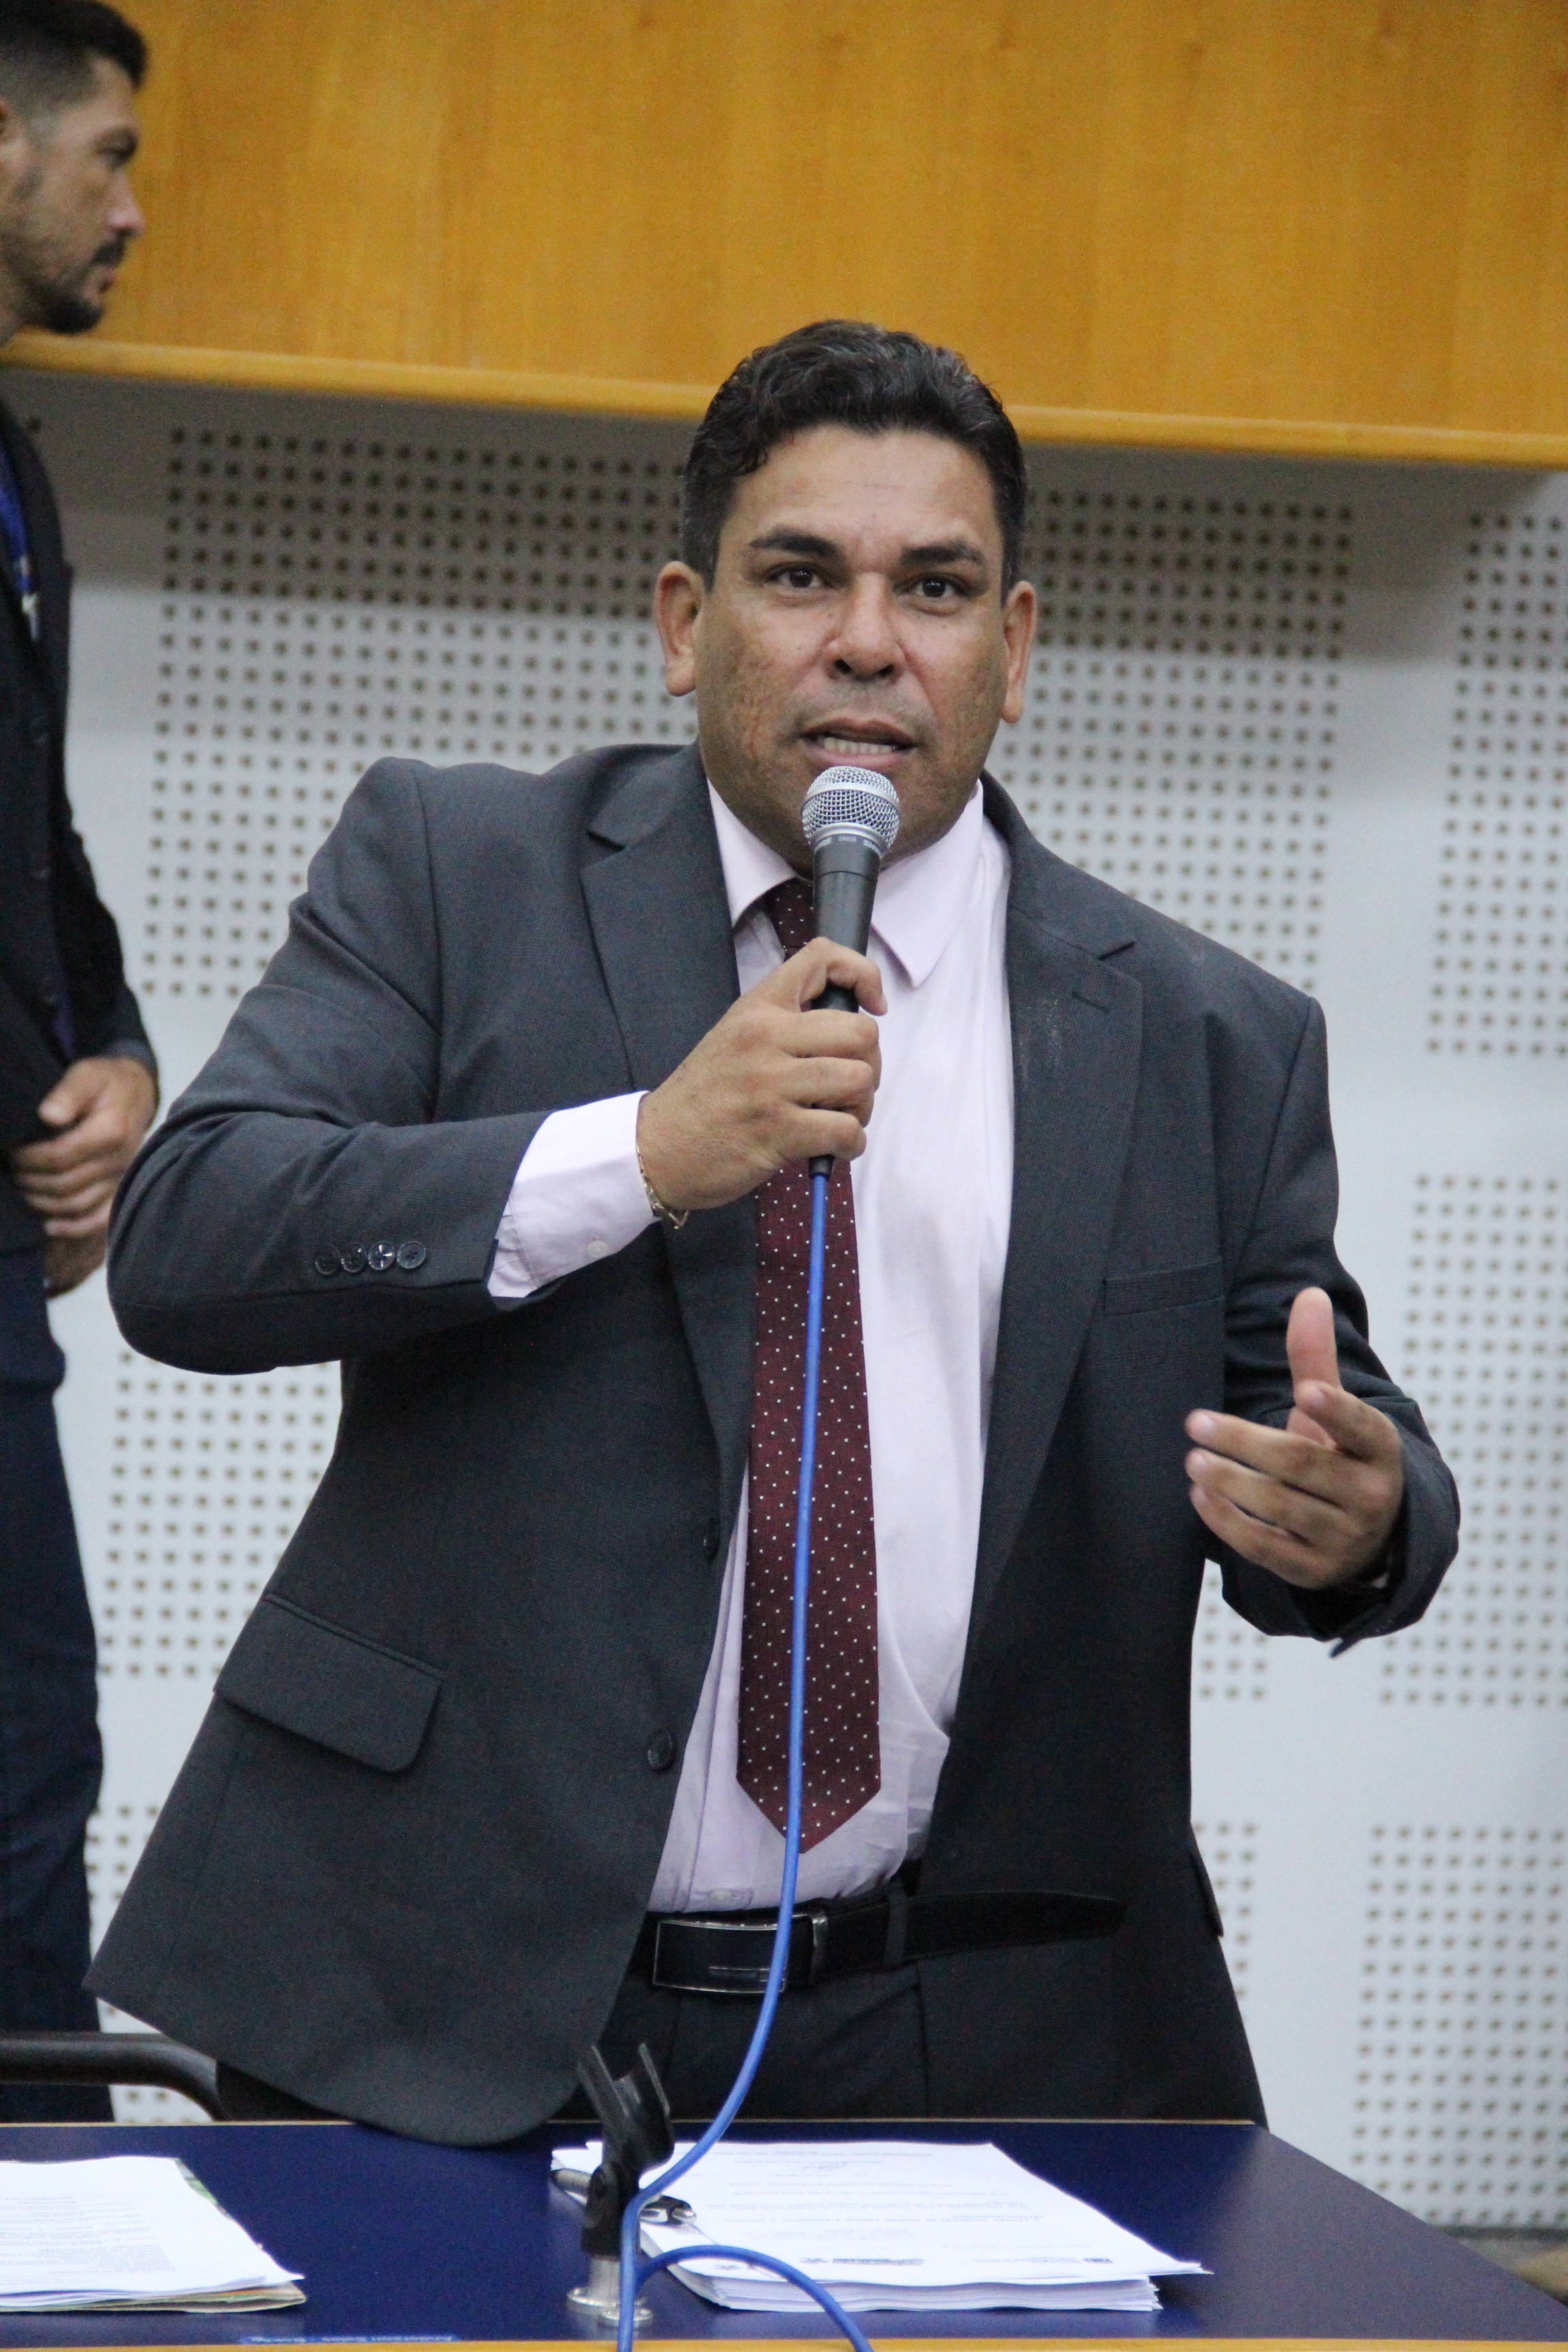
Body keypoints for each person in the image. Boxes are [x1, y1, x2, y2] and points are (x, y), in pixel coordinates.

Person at [91, 321, 1458, 2145]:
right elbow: (191, 1237)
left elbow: (1321, 1435)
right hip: (445, 1993)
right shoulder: (457, 872)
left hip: (983, 2033)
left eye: (937, 589)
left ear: (1014, 649)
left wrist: (1360, 1521)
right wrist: (643, 1152)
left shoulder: (1209, 1035)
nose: (870, 640)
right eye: (802, 575)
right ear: (686, 621)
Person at [0, 0, 155, 2120]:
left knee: (29, 1767)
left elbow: (31, 841)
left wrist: (109, 1054)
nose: (131, 211)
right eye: (108, 155)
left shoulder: (13, 467)